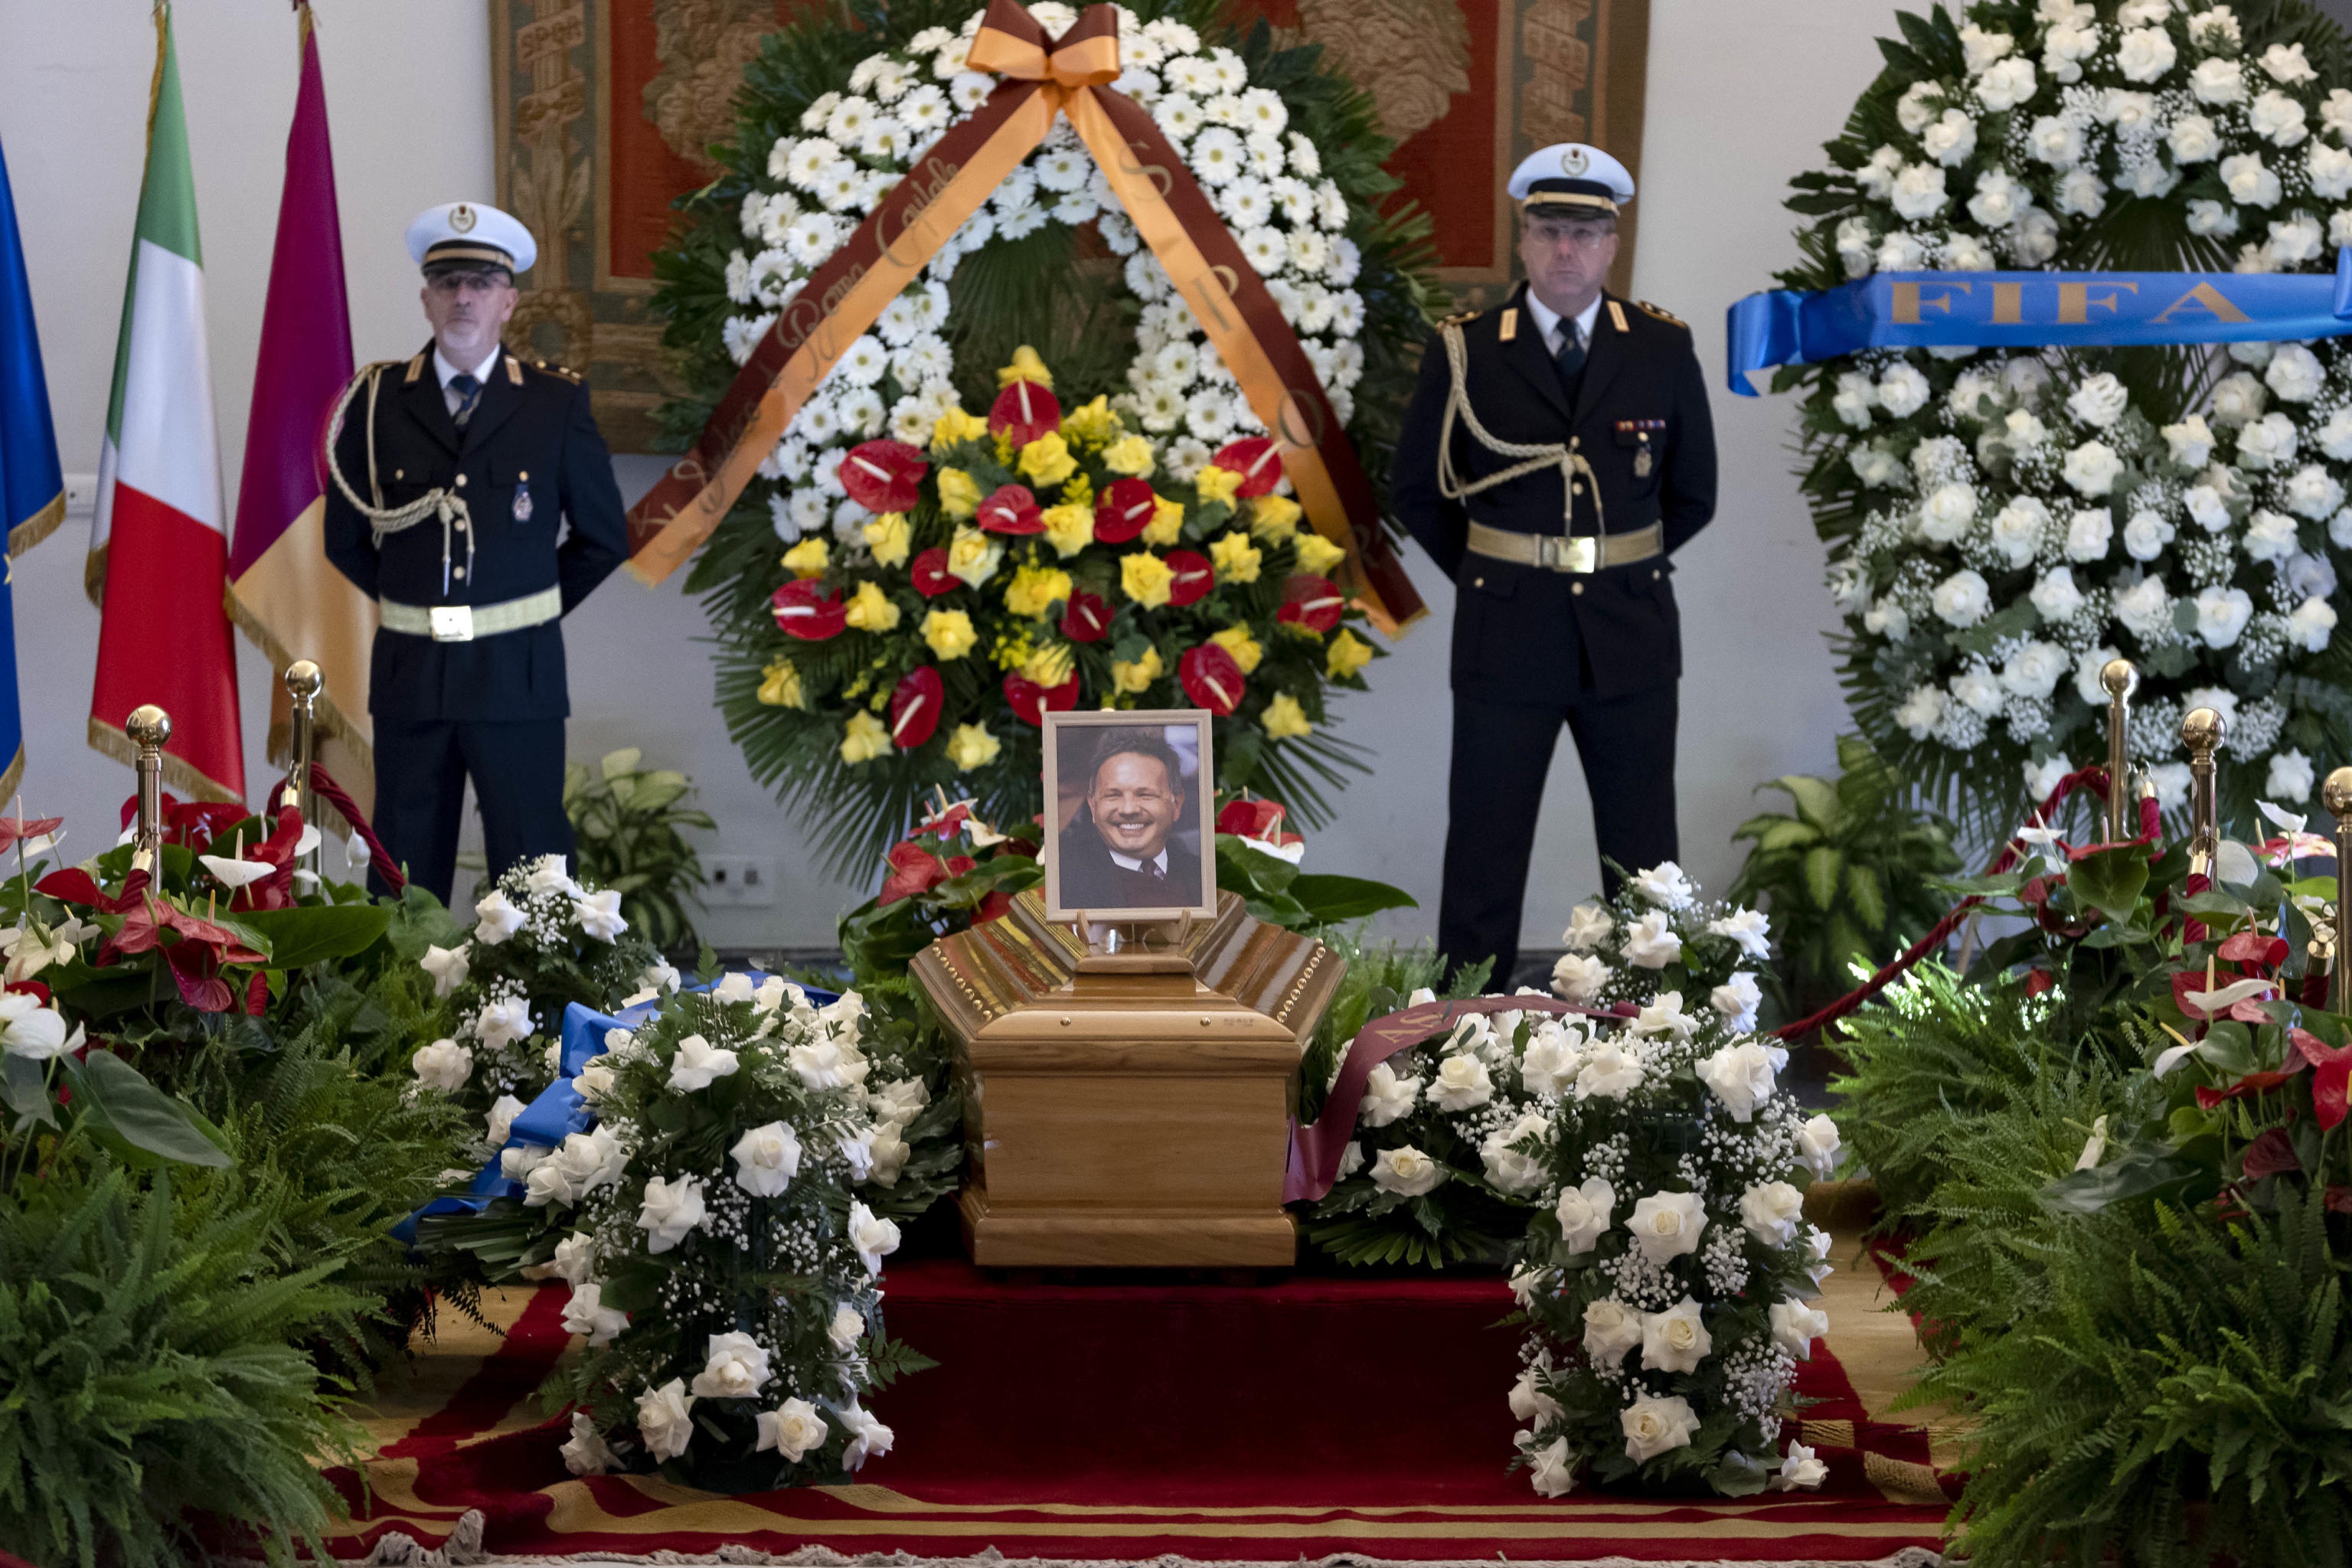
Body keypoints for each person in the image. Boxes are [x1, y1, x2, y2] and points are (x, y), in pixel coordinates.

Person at [1390, 143, 1718, 988]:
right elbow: (1419, 492)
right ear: (1522, 241)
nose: (1565, 249)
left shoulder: (1660, 346)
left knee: (1647, 858)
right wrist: (1496, 571)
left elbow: (1694, 494)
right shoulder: (1465, 349)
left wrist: (1606, 565)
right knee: (1485, 850)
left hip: (1630, 633)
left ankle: (1660, 1036)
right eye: (1547, 230)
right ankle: (1463, 1047)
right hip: (1508, 631)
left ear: (1612, 244)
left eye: (1584, 232)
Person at [322, 201, 629, 903]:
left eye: (482, 283)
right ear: (426, 299)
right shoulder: (373, 404)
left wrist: (524, 606)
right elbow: (345, 537)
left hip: (516, 673)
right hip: (413, 671)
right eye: (449, 281)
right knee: (401, 865)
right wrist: (412, 597)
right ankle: (399, 1009)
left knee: (533, 866)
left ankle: (535, 1012)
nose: (464, 297)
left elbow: (604, 537)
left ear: (509, 301)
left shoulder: (554, 404)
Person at [1056, 728, 1204, 910]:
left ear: (1177, 804)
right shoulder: (1062, 882)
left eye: (1145, 795)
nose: (1128, 809)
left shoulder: (1202, 874)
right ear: (1093, 806)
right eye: (1113, 796)